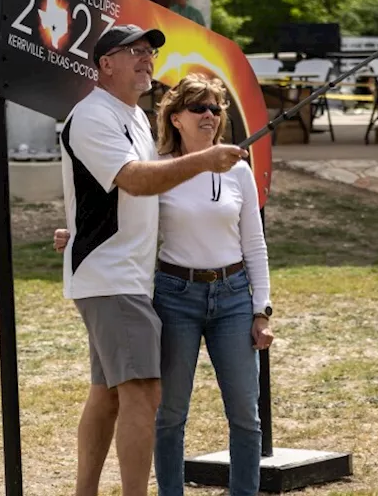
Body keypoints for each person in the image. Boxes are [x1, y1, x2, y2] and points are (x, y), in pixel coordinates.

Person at [56, 73, 274, 496]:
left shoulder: (238, 170)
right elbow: (116, 208)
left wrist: (260, 309)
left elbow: (255, 243)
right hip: (175, 295)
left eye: (216, 108)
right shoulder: (156, 168)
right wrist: (73, 233)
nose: (210, 116)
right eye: (199, 108)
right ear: (175, 119)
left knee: (246, 415)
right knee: (169, 412)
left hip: (232, 295)